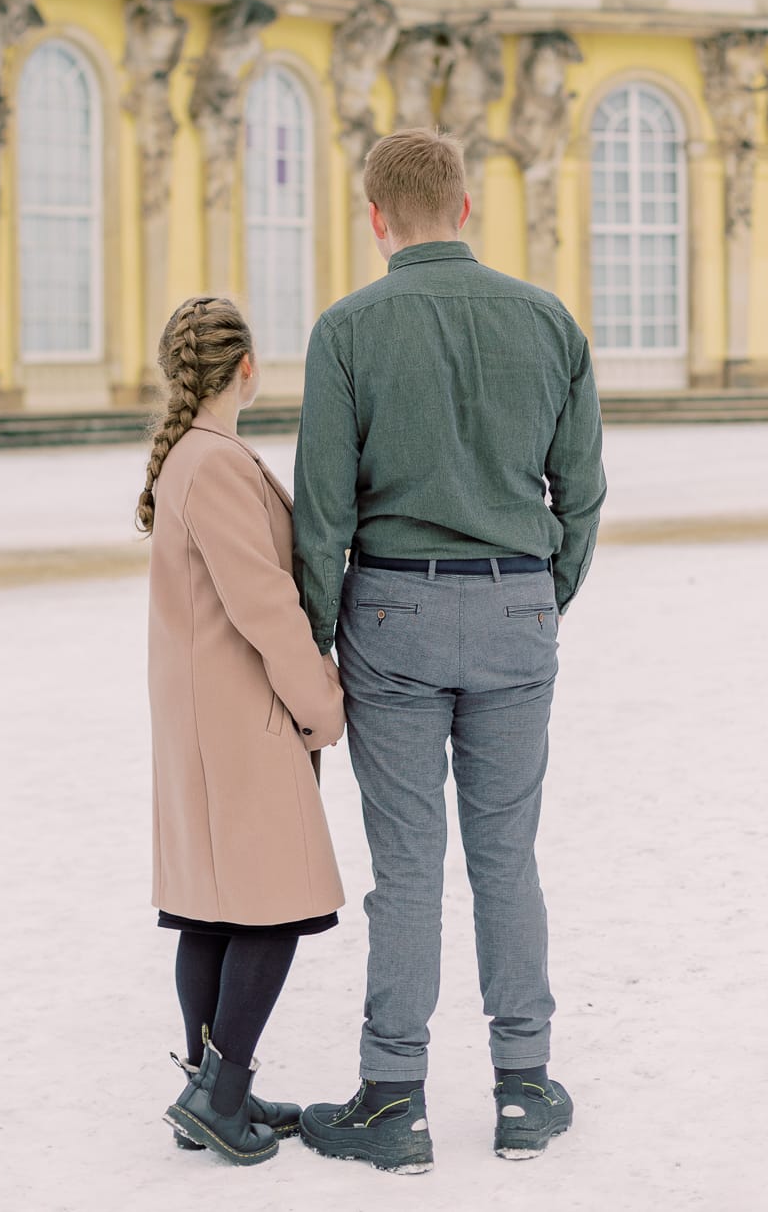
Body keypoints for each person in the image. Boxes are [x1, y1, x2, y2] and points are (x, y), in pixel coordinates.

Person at [292, 129, 606, 1174]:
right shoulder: (548, 320)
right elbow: (585, 490)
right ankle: (523, 1089)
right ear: (465, 208)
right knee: (507, 857)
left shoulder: (345, 330)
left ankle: (395, 1098)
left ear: (377, 217)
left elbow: (322, 513)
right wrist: (542, 593)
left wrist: (321, 638)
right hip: (516, 606)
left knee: (409, 866)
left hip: (391, 616)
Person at [139, 295, 346, 1167]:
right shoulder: (216, 464)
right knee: (275, 903)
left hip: (203, 715)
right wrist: (321, 702)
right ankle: (220, 1095)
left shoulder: (191, 456)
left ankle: (208, 1084)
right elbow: (264, 602)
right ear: (248, 370)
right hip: (240, 715)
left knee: (212, 908)